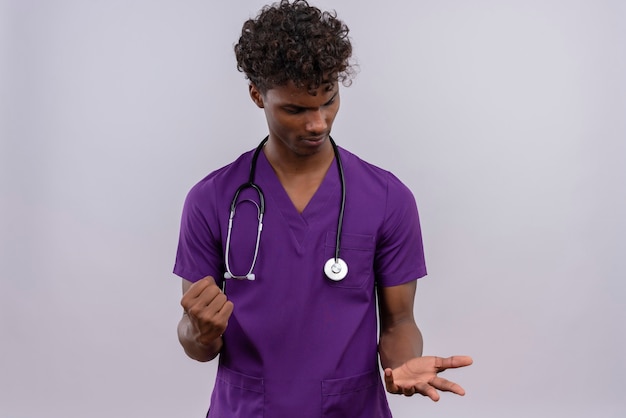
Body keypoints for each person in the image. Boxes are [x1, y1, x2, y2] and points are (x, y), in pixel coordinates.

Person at [174, 1, 472, 416]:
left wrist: (402, 366)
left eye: (328, 101)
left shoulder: (388, 198)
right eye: (295, 109)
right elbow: (196, 344)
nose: (318, 123)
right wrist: (199, 332)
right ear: (257, 94)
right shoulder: (211, 199)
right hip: (247, 409)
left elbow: (400, 321)